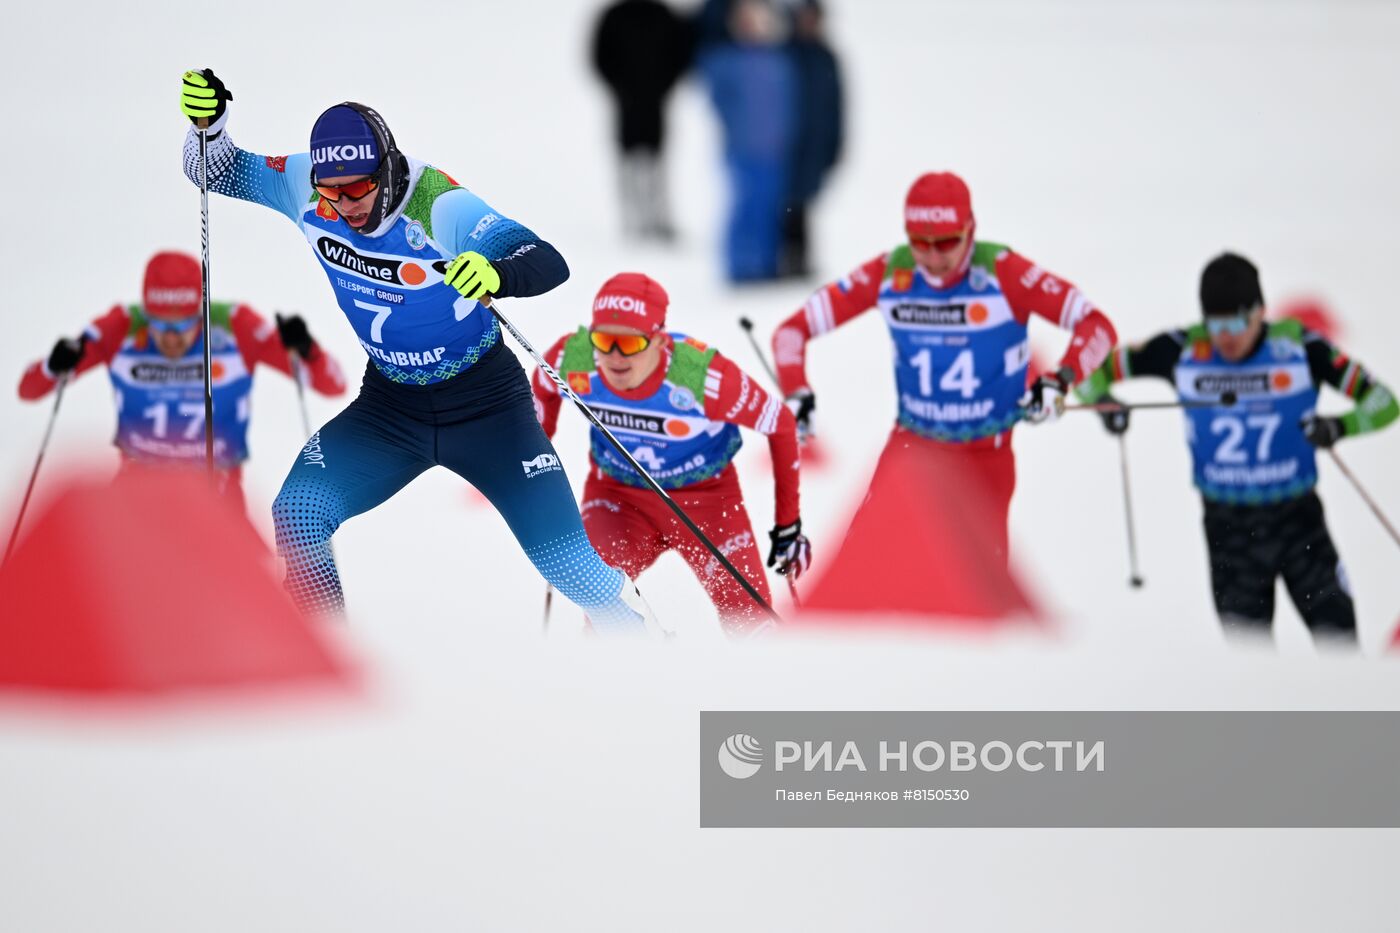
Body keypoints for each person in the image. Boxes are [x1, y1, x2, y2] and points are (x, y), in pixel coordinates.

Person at [177, 69, 657, 631]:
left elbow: (547, 261)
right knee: (298, 515)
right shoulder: (307, 185)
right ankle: (327, 655)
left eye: (359, 189)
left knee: (575, 571)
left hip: (487, 408)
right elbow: (215, 171)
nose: (345, 205)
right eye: (332, 192)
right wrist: (209, 128)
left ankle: (642, 641)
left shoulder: (436, 203)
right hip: (390, 410)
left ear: (386, 169)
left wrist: (495, 272)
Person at [769, 171, 1118, 565]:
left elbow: (1097, 326)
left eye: (947, 243)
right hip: (911, 450)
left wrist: (1060, 380)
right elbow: (791, 332)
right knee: (862, 569)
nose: (934, 258)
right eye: (920, 243)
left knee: (975, 588)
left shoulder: (1004, 272)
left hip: (984, 456)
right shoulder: (890, 273)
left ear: (971, 230)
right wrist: (797, 391)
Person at [1077, 252, 1398, 646]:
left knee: (1340, 646)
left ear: (1260, 311)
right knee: (1251, 663)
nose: (1226, 336)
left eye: (1237, 323)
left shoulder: (1298, 347)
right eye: (1216, 324)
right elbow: (1088, 372)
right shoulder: (1182, 348)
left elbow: (1384, 402)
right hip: (1229, 529)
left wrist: (1338, 426)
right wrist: (1106, 405)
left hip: (1298, 521)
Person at [532, 273, 809, 635]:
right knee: (600, 598)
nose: (614, 356)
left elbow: (781, 423)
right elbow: (541, 390)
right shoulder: (572, 357)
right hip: (618, 497)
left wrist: (788, 523)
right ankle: (632, 664)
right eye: (603, 340)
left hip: (707, 499)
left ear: (660, 341)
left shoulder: (705, 377)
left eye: (629, 343)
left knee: (750, 619)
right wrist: (538, 466)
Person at [17, 251, 345, 512]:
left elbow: (333, 385)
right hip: (135, 492)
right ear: (146, 313)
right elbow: (29, 390)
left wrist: (307, 349)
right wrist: (53, 366)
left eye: (183, 325)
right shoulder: (120, 327)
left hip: (216, 495)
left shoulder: (235, 326)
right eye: (160, 325)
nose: (171, 338)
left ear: (199, 313)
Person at [697, 0, 796, 283]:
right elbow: (718, 99)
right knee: (745, 206)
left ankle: (766, 265)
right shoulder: (726, 60)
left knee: (770, 208)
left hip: (775, 149)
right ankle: (740, 265)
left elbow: (789, 106)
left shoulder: (779, 62)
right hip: (743, 147)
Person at [591, 0, 694, 242]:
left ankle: (658, 217)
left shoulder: (663, 14)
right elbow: (600, 57)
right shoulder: (614, 15)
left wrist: (663, 87)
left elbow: (681, 54)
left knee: (657, 161)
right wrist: (619, 88)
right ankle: (633, 219)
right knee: (629, 160)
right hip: (625, 103)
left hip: (656, 102)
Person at [780, 0, 843, 278]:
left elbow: (836, 106)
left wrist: (834, 144)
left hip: (814, 144)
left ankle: (799, 259)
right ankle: (782, 259)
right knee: (783, 204)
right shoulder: (785, 54)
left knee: (802, 204)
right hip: (784, 145)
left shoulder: (825, 57)